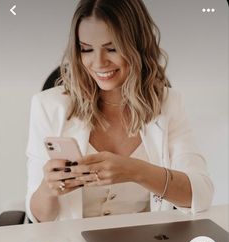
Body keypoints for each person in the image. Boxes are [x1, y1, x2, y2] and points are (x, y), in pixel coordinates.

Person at [26, 0, 214, 223]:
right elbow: (38, 218)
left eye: (112, 48)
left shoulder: (168, 103)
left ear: (137, 45)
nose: (98, 62)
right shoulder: (48, 106)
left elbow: (201, 194)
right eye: (86, 49)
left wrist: (135, 171)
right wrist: (49, 189)